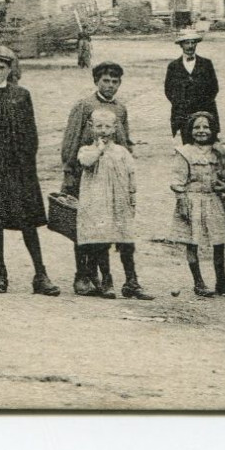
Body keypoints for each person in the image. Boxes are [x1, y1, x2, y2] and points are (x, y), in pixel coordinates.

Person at [0, 44, 59, 296]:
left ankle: (40, 274)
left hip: (19, 170)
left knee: (28, 222)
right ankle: (0, 273)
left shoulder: (21, 96)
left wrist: (27, 165)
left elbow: (31, 135)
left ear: (9, 69)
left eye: (2, 68)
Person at [60, 62, 132, 295]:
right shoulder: (84, 105)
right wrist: (70, 174)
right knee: (82, 228)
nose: (110, 86)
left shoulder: (120, 109)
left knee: (105, 228)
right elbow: (71, 141)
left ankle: (98, 276)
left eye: (114, 82)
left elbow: (124, 141)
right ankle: (82, 276)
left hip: (110, 178)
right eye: (105, 81)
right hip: (84, 174)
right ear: (96, 82)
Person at [75, 107, 152, 300]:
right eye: (98, 126)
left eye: (107, 126)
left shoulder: (122, 152)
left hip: (119, 203)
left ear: (115, 128)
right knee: (101, 242)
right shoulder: (86, 150)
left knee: (126, 240)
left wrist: (132, 197)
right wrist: (99, 149)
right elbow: (86, 162)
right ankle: (106, 280)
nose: (103, 130)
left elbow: (131, 174)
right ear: (91, 127)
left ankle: (131, 282)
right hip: (97, 204)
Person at [171, 112, 225, 298]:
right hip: (192, 200)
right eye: (196, 127)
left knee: (218, 241)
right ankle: (198, 282)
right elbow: (178, 180)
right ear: (189, 130)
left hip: (214, 199)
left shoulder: (218, 151)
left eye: (206, 127)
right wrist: (182, 202)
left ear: (213, 130)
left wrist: (224, 161)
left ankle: (222, 281)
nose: (201, 131)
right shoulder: (184, 152)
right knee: (192, 241)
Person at [164, 30, 220, 144]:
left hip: (205, 112)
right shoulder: (173, 66)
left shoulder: (206, 64)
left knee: (209, 145)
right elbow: (169, 90)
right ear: (181, 45)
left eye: (193, 42)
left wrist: (202, 107)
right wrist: (182, 104)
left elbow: (214, 88)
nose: (190, 46)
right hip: (184, 115)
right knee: (187, 146)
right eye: (187, 43)